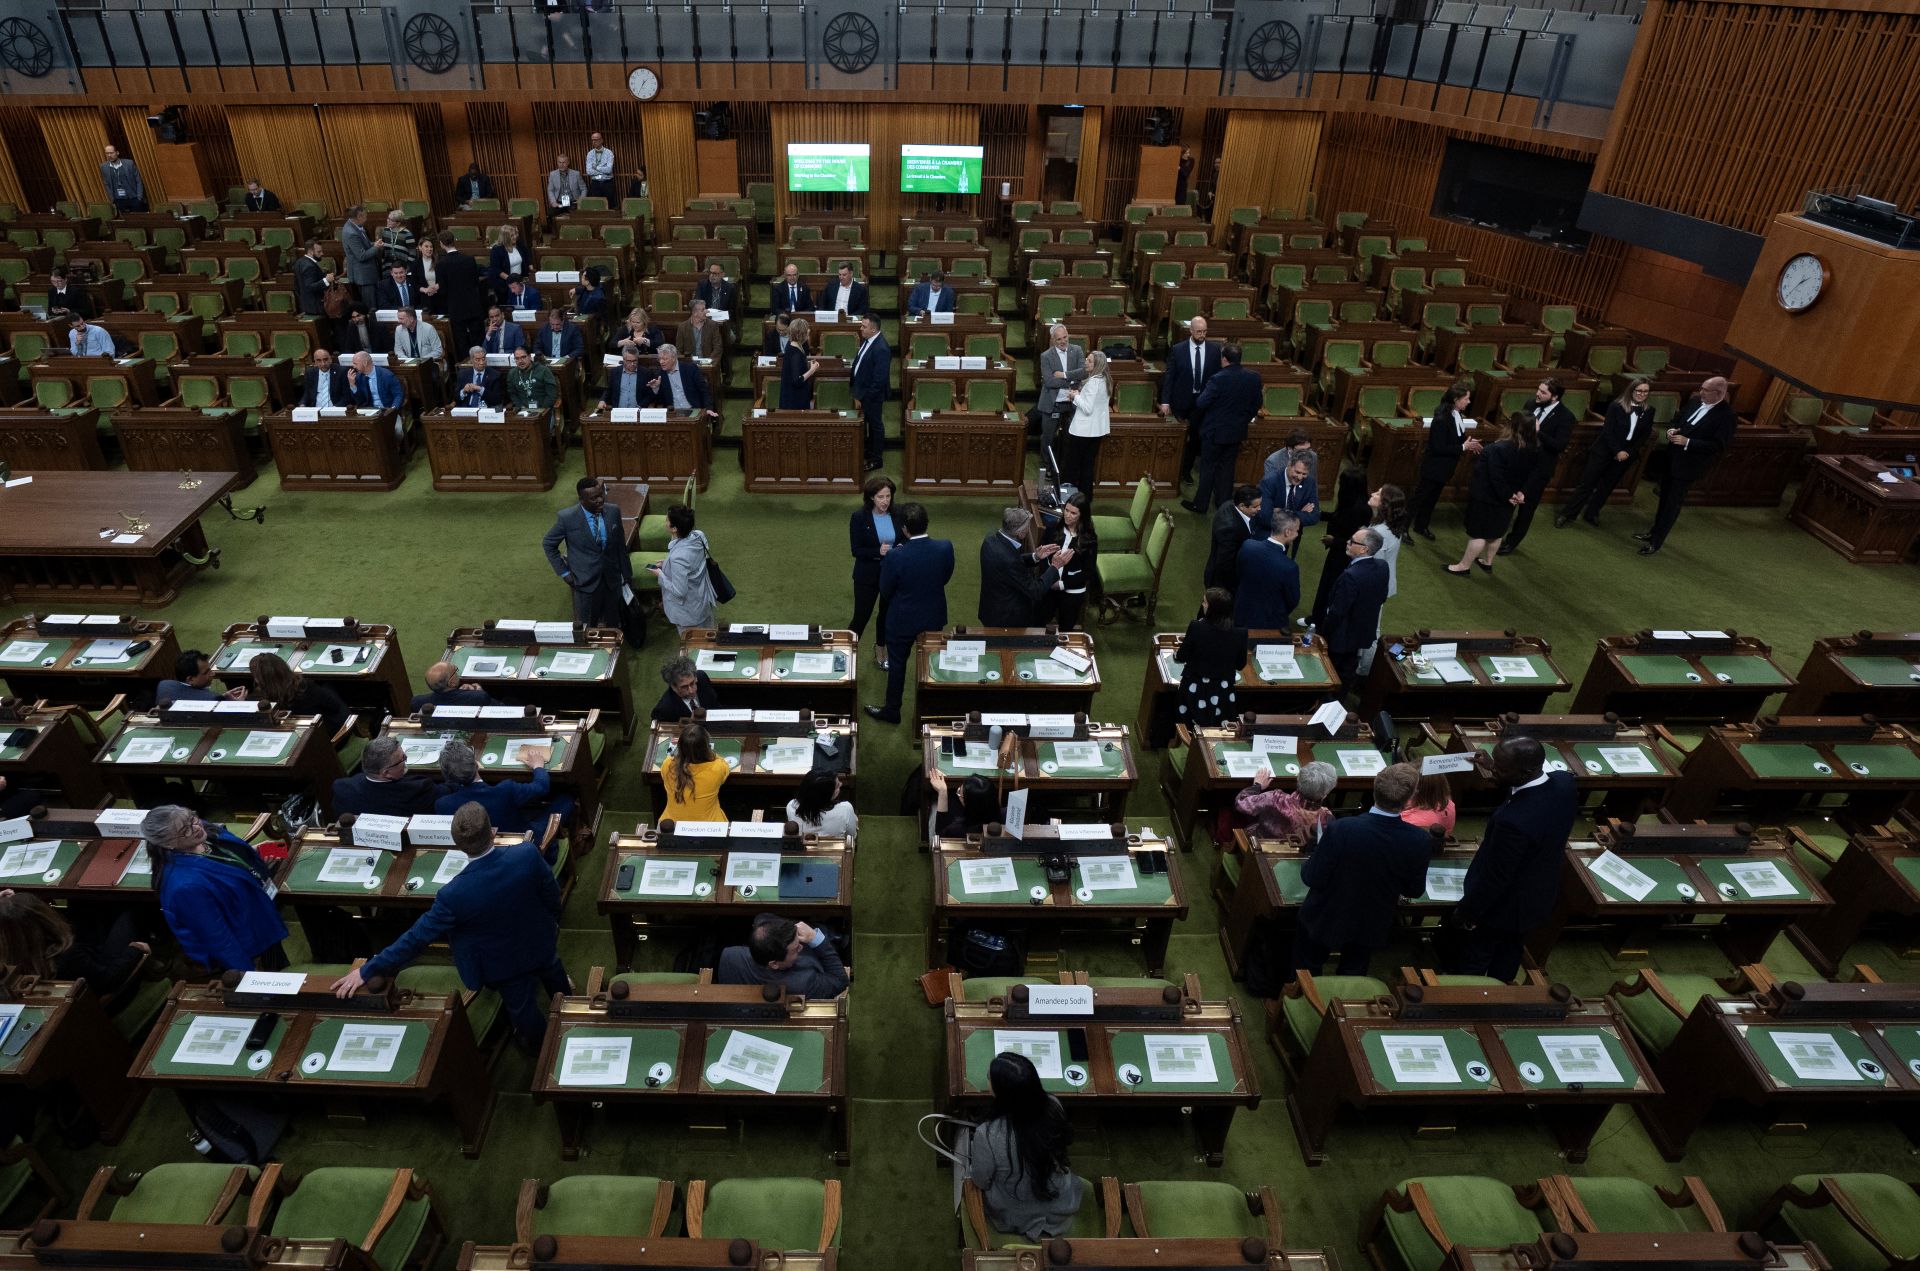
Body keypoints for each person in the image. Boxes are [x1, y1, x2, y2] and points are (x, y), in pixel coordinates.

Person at [332, 803, 568, 1052]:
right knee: (554, 973)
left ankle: (542, 1049)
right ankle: (566, 1008)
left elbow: (416, 939)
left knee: (522, 1009)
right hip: (539, 938)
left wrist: (369, 969)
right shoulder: (526, 854)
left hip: (502, 964)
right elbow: (551, 893)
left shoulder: (452, 894)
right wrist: (549, 921)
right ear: (491, 832)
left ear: (457, 844)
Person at [1445, 738, 1578, 980]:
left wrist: (1467, 912)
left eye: (1501, 768)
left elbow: (1496, 878)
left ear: (1525, 772)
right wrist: (1493, 766)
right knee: (1511, 949)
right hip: (1538, 894)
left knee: (1477, 954)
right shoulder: (1564, 784)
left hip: (1504, 906)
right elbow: (1533, 785)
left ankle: (1469, 996)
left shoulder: (1513, 823)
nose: (1494, 770)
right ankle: (1503, 986)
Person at [1292, 764, 1430, 977]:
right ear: (1410, 799)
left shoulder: (1343, 828)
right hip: (1371, 922)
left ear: (1374, 788)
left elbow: (1313, 877)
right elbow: (1414, 890)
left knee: (1307, 968)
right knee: (1353, 971)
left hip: (1326, 916)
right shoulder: (1419, 840)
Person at [142, 805, 287, 973]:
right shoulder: (185, 887)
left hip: (259, 917)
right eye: (185, 830)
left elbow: (225, 861)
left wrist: (250, 857)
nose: (196, 827)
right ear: (168, 843)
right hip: (251, 943)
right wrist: (247, 977)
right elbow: (218, 939)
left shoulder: (201, 833)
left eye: (192, 818)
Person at [968, 1052, 1083, 1241]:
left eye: (991, 1079)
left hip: (1014, 1214)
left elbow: (981, 1181)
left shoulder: (987, 1134)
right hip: (1061, 1204)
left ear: (1003, 1093)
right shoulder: (1054, 1105)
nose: (988, 1081)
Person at [866, 502, 954, 724]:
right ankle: (931, 714)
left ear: (904, 529)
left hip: (901, 619)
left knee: (897, 666)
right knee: (932, 665)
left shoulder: (896, 556)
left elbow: (885, 590)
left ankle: (892, 711)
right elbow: (945, 576)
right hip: (932, 615)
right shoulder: (945, 547)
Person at [0, 890, 148, 1015]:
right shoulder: (68, 956)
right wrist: (135, 950)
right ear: (43, 918)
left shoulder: (8, 959)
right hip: (107, 993)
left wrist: (7, 909)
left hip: (86, 965)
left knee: (83, 904)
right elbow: (110, 980)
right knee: (130, 912)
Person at [1638, 376, 1735, 556]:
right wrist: (1671, 430)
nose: (1701, 392)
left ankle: (1656, 542)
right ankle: (1652, 532)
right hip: (1672, 459)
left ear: (1719, 393)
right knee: (1663, 499)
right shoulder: (1695, 401)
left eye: (1706, 390)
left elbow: (1718, 445)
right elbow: (1678, 419)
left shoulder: (1727, 416)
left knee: (1672, 505)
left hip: (1688, 467)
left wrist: (1688, 442)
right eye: (1702, 388)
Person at [433, 738, 571, 845]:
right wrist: (538, 767)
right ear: (476, 763)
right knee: (566, 798)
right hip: (525, 845)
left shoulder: (442, 805)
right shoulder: (505, 790)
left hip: (484, 851)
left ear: (446, 776)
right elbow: (541, 787)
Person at [1446, 413, 1535, 577]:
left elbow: (1495, 477)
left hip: (1487, 497)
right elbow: (1531, 475)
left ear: (1511, 427)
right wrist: (1519, 493)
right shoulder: (1532, 449)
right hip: (1510, 498)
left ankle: (1463, 566)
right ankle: (1487, 562)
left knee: (1478, 533)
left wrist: (1507, 494)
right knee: (1497, 532)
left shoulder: (1497, 449)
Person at [1558, 378, 1652, 530]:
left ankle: (1592, 513)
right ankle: (1568, 514)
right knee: (1586, 484)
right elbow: (1608, 431)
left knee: (1606, 487)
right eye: (1639, 391)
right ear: (1631, 391)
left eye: (1645, 392)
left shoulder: (1649, 411)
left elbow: (1644, 436)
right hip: (1604, 451)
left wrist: (1627, 452)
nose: (1642, 394)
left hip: (1625, 456)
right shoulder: (1616, 406)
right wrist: (1618, 451)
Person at [544, 477, 630, 629]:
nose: (599, 500)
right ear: (581, 499)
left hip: (612, 579)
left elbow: (620, 546)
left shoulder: (613, 511)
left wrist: (627, 574)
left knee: (614, 624)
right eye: (593, 498)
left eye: (601, 495)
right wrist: (564, 573)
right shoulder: (567, 518)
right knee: (587, 626)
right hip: (585, 582)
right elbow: (549, 544)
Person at [1499, 378, 1574, 555]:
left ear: (1554, 397)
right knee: (1508, 498)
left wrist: (1539, 432)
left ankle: (1512, 542)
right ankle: (1496, 533)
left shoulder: (1566, 417)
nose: (1537, 394)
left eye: (1543, 392)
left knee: (1526, 507)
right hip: (1519, 461)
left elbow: (1559, 445)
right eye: (1538, 390)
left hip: (1539, 470)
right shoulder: (1531, 404)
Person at [1186, 343, 1261, 517]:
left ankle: (1200, 504)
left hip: (1214, 433)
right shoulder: (1253, 377)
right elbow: (1256, 404)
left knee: (1208, 468)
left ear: (1224, 359)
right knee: (1227, 470)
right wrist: (1242, 420)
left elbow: (1201, 403)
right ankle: (1224, 504)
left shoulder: (1218, 379)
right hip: (1236, 432)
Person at [1306, 470, 1377, 631]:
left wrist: (1334, 541)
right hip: (1338, 551)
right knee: (1325, 584)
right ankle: (1316, 617)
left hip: (1345, 555)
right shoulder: (1352, 502)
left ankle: (1321, 621)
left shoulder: (1361, 509)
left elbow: (1358, 539)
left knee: (1332, 587)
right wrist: (1319, 514)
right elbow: (1339, 517)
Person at [716, 913, 848, 998]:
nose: (801, 947)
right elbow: (840, 980)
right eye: (796, 948)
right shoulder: (802, 984)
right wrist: (817, 940)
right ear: (774, 964)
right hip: (819, 966)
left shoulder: (730, 955)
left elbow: (764, 918)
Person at [1324, 527, 1390, 690]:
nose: (1347, 542)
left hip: (1340, 637)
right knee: (1348, 669)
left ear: (1364, 549)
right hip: (1361, 632)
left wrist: (1324, 631)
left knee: (1331, 672)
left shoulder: (1351, 576)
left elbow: (1337, 612)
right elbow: (1382, 597)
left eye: (1352, 541)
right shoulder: (1382, 566)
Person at [1409, 381, 1476, 540]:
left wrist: (1469, 443)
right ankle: (1402, 527)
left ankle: (1421, 525)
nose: (1469, 402)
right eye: (1466, 398)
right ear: (1456, 399)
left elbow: (1458, 437)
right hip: (1434, 467)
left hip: (1445, 468)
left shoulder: (1457, 414)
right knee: (1418, 499)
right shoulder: (1441, 419)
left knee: (1432, 499)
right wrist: (1463, 447)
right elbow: (1439, 447)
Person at [978, 507, 1066, 627]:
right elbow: (1035, 590)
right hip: (1006, 620)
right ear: (1021, 533)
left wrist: (1036, 556)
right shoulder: (1009, 561)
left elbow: (1009, 562)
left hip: (990, 608)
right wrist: (1055, 566)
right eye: (1027, 527)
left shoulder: (990, 540)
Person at [1174, 588, 1248, 728]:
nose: (1203, 604)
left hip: (1194, 687)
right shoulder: (1240, 633)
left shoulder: (1197, 627)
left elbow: (1182, 655)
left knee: (1189, 727)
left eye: (1205, 603)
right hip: (1223, 691)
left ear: (1213, 609)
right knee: (1217, 729)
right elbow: (1240, 664)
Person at [849, 474, 902, 661]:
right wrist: (877, 551)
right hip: (867, 576)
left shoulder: (898, 514)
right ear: (872, 497)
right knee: (861, 616)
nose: (885, 501)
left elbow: (905, 539)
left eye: (888, 496)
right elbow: (856, 550)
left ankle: (881, 647)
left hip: (891, 575)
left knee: (886, 615)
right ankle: (846, 652)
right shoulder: (859, 517)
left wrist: (900, 548)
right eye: (881, 497)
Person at [1356, 483, 1408, 675]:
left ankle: (1363, 672)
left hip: (1374, 587)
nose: (1372, 494)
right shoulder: (1386, 526)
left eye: (1378, 494)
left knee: (1371, 631)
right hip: (1380, 584)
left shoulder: (1380, 532)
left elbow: (1372, 566)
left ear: (1385, 504)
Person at [1160, 317, 1218, 485]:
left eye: (1205, 331)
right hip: (1181, 400)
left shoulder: (1214, 350)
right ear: (1191, 331)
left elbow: (1216, 378)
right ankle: (1172, 470)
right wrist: (1165, 401)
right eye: (1199, 331)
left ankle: (1186, 470)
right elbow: (1170, 376)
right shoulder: (1178, 350)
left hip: (1202, 402)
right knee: (1180, 436)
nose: (1202, 335)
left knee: (1194, 438)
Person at [332, 735, 439, 817]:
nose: (406, 758)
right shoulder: (419, 789)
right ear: (386, 773)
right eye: (402, 759)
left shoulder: (342, 788)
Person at [248, 652, 350, 736]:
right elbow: (335, 706)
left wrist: (243, 701)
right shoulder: (304, 687)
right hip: (327, 737)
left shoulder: (262, 700)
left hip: (307, 738)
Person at [651, 504, 717, 635]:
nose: (665, 522)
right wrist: (667, 564)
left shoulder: (678, 557)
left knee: (692, 647)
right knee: (710, 639)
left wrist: (660, 574)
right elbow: (694, 562)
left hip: (688, 613)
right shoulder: (699, 535)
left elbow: (679, 591)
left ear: (674, 528)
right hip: (703, 601)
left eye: (667, 520)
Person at [1235, 758, 1336, 842]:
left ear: (1298, 778)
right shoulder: (1326, 817)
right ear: (1325, 794)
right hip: (1294, 858)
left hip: (1260, 847)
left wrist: (1257, 786)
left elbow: (1241, 803)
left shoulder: (1276, 798)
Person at [1039, 492, 1096, 630]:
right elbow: (1042, 556)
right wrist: (1049, 577)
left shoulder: (1089, 539)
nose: (1067, 515)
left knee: (1066, 629)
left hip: (1072, 591)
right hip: (1049, 585)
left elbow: (1088, 571)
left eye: (1073, 513)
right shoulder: (1053, 528)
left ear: (1082, 515)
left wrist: (1063, 584)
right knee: (1038, 622)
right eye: (1066, 510)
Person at [1236, 510, 1301, 629]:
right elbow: (1292, 600)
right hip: (1268, 623)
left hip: (1241, 613)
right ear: (1287, 532)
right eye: (1297, 530)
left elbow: (1239, 573)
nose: (1297, 534)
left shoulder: (1248, 545)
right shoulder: (1289, 567)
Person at [1061, 350, 1112, 496]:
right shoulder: (1105, 380)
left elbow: (1088, 408)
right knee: (1088, 465)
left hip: (1083, 431)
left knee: (1073, 465)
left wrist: (1075, 396)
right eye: (1086, 359)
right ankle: (1085, 496)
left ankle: (1067, 496)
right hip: (1097, 431)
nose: (1085, 362)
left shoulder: (1093, 383)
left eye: (1089, 361)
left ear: (1097, 365)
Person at [1034, 325, 1085, 462]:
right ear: (1053, 340)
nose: (1063, 341)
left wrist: (1063, 375)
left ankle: (1065, 468)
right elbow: (1049, 382)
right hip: (1052, 403)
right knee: (1048, 438)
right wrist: (1072, 381)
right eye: (1059, 339)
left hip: (1072, 403)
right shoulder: (1046, 356)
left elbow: (1083, 372)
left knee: (1070, 438)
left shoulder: (1077, 350)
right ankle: (1046, 467)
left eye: (1065, 337)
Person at [660, 722, 729, 822]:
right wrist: (709, 753)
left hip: (672, 825)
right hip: (710, 828)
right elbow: (721, 762)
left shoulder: (667, 765)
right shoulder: (718, 768)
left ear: (680, 746)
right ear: (706, 747)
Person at [1204, 484, 1263, 593]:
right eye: (1255, 507)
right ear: (1242, 506)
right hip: (1222, 584)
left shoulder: (1229, 505)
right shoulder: (1231, 529)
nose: (1259, 509)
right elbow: (1225, 563)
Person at [851, 314, 891, 471]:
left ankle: (876, 459)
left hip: (872, 395)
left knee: (875, 426)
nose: (861, 328)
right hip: (864, 392)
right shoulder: (868, 340)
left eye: (864, 326)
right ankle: (870, 451)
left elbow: (879, 380)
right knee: (870, 424)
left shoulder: (881, 348)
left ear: (873, 329)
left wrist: (864, 397)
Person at [1258, 456, 1320, 555]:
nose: (1300, 477)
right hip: (1268, 536)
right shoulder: (1270, 481)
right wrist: (1301, 514)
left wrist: (1283, 512)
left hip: (1290, 537)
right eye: (1297, 472)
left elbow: (1314, 516)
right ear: (1289, 465)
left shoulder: (1309, 482)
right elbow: (1266, 517)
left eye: (1304, 474)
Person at [437, 230, 487, 353]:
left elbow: (443, 290)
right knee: (478, 339)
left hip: (456, 308)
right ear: (453, 241)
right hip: (473, 305)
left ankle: (466, 365)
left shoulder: (441, 264)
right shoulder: (469, 259)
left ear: (441, 244)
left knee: (462, 341)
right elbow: (476, 281)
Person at [646, 344, 718, 425]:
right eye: (659, 359)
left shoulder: (690, 369)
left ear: (674, 358)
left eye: (665, 359)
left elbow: (704, 391)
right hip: (673, 415)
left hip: (694, 411)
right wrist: (656, 389)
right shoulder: (660, 374)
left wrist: (708, 409)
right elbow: (660, 401)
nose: (661, 362)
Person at [927, 771, 1000, 843]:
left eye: (959, 793)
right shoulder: (1002, 816)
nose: (958, 791)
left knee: (934, 804)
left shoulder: (956, 830)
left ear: (970, 806)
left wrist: (942, 792)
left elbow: (941, 834)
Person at [787, 770, 859, 841]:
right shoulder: (845, 809)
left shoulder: (791, 807)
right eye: (837, 785)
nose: (841, 784)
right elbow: (852, 836)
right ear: (826, 795)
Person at [156, 649, 244, 706]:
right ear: (190, 679)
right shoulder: (211, 700)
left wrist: (222, 697)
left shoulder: (163, 685)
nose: (213, 674)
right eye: (206, 672)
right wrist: (238, 705)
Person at [410, 661, 498, 711]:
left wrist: (461, 693)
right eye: (455, 671)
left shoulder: (417, 703)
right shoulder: (479, 697)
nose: (456, 672)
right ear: (451, 683)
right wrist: (479, 692)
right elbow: (502, 711)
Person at [652, 656, 717, 723]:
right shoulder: (664, 709)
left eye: (692, 683)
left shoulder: (702, 677)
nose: (691, 691)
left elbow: (714, 705)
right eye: (684, 687)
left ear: (696, 677)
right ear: (673, 687)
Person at [347, 349, 405, 424]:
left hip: (387, 410)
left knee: (397, 431)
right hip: (369, 412)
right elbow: (360, 401)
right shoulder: (358, 377)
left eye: (355, 363)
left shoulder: (386, 375)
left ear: (365, 363)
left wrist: (393, 408)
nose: (353, 366)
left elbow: (398, 394)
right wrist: (352, 385)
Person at [505, 346, 558, 423]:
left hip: (544, 410)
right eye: (517, 358)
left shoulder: (543, 370)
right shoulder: (512, 373)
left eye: (523, 357)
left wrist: (542, 409)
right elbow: (512, 393)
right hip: (523, 410)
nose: (520, 361)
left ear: (529, 357)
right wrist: (520, 407)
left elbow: (552, 394)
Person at [779, 317, 819, 410]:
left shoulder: (794, 344)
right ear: (802, 334)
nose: (808, 331)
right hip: (794, 401)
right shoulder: (795, 353)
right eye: (806, 330)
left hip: (794, 396)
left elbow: (795, 368)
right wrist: (812, 370)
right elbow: (796, 381)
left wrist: (807, 364)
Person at [340, 205, 380, 297]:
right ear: (359, 217)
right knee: (370, 306)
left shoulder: (353, 225)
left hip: (366, 275)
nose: (366, 219)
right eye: (365, 216)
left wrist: (373, 244)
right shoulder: (351, 233)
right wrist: (376, 247)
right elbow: (361, 256)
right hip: (363, 276)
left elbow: (363, 244)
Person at [675, 300, 727, 366]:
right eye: (703, 310)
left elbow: (718, 347)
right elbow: (678, 350)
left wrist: (709, 362)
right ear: (694, 313)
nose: (706, 311)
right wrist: (684, 365)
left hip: (708, 363)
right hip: (690, 365)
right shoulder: (682, 327)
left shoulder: (713, 325)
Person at [489, 225, 531, 303]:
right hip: (504, 284)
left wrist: (529, 271)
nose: (515, 237)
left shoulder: (519, 244)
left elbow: (527, 257)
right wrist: (511, 280)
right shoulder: (497, 250)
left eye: (515, 234)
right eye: (512, 236)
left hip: (520, 281)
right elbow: (496, 269)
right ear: (505, 237)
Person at [599, 346, 649, 411]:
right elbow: (609, 390)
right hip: (618, 413)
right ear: (623, 359)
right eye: (629, 361)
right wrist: (603, 400)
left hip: (638, 412)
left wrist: (641, 406)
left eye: (635, 361)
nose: (632, 364)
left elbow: (649, 395)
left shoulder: (645, 373)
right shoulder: (614, 372)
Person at [100, 144, 146, 213]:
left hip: (134, 198)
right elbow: (106, 184)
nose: (109, 155)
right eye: (107, 153)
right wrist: (112, 199)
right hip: (118, 201)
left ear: (117, 153)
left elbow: (138, 180)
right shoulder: (104, 167)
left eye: (111, 153)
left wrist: (139, 197)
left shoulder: (129, 163)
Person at [293, 239, 333, 319]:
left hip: (306, 305)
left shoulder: (299, 262)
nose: (322, 253)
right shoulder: (309, 266)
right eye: (319, 252)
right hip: (316, 307)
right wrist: (326, 280)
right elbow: (309, 286)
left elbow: (297, 285)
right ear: (311, 252)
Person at [546, 154, 586, 223]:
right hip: (558, 203)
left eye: (564, 162)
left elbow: (584, 189)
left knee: (578, 216)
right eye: (559, 162)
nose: (561, 165)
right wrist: (553, 202)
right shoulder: (553, 174)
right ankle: (556, 232)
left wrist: (581, 200)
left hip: (573, 202)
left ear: (568, 163)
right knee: (550, 213)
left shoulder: (576, 174)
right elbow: (550, 190)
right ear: (557, 163)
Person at [411, 237, 445, 314]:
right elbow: (414, 283)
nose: (429, 249)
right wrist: (425, 290)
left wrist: (437, 286)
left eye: (431, 247)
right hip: (424, 299)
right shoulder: (415, 264)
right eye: (426, 246)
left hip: (440, 297)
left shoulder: (440, 262)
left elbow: (445, 279)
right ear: (420, 248)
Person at [376, 209, 416, 273]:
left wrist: (407, 268)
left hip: (401, 269)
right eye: (388, 218)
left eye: (391, 220)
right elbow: (383, 249)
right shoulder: (386, 231)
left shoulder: (407, 234)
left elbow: (413, 254)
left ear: (398, 223)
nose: (388, 221)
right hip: (387, 267)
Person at [583, 131, 616, 200]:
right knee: (596, 206)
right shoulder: (590, 154)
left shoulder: (609, 153)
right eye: (592, 140)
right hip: (595, 183)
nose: (594, 142)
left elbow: (609, 170)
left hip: (607, 183)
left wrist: (596, 167)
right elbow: (589, 171)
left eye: (596, 140)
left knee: (610, 205)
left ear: (601, 140)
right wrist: (603, 169)